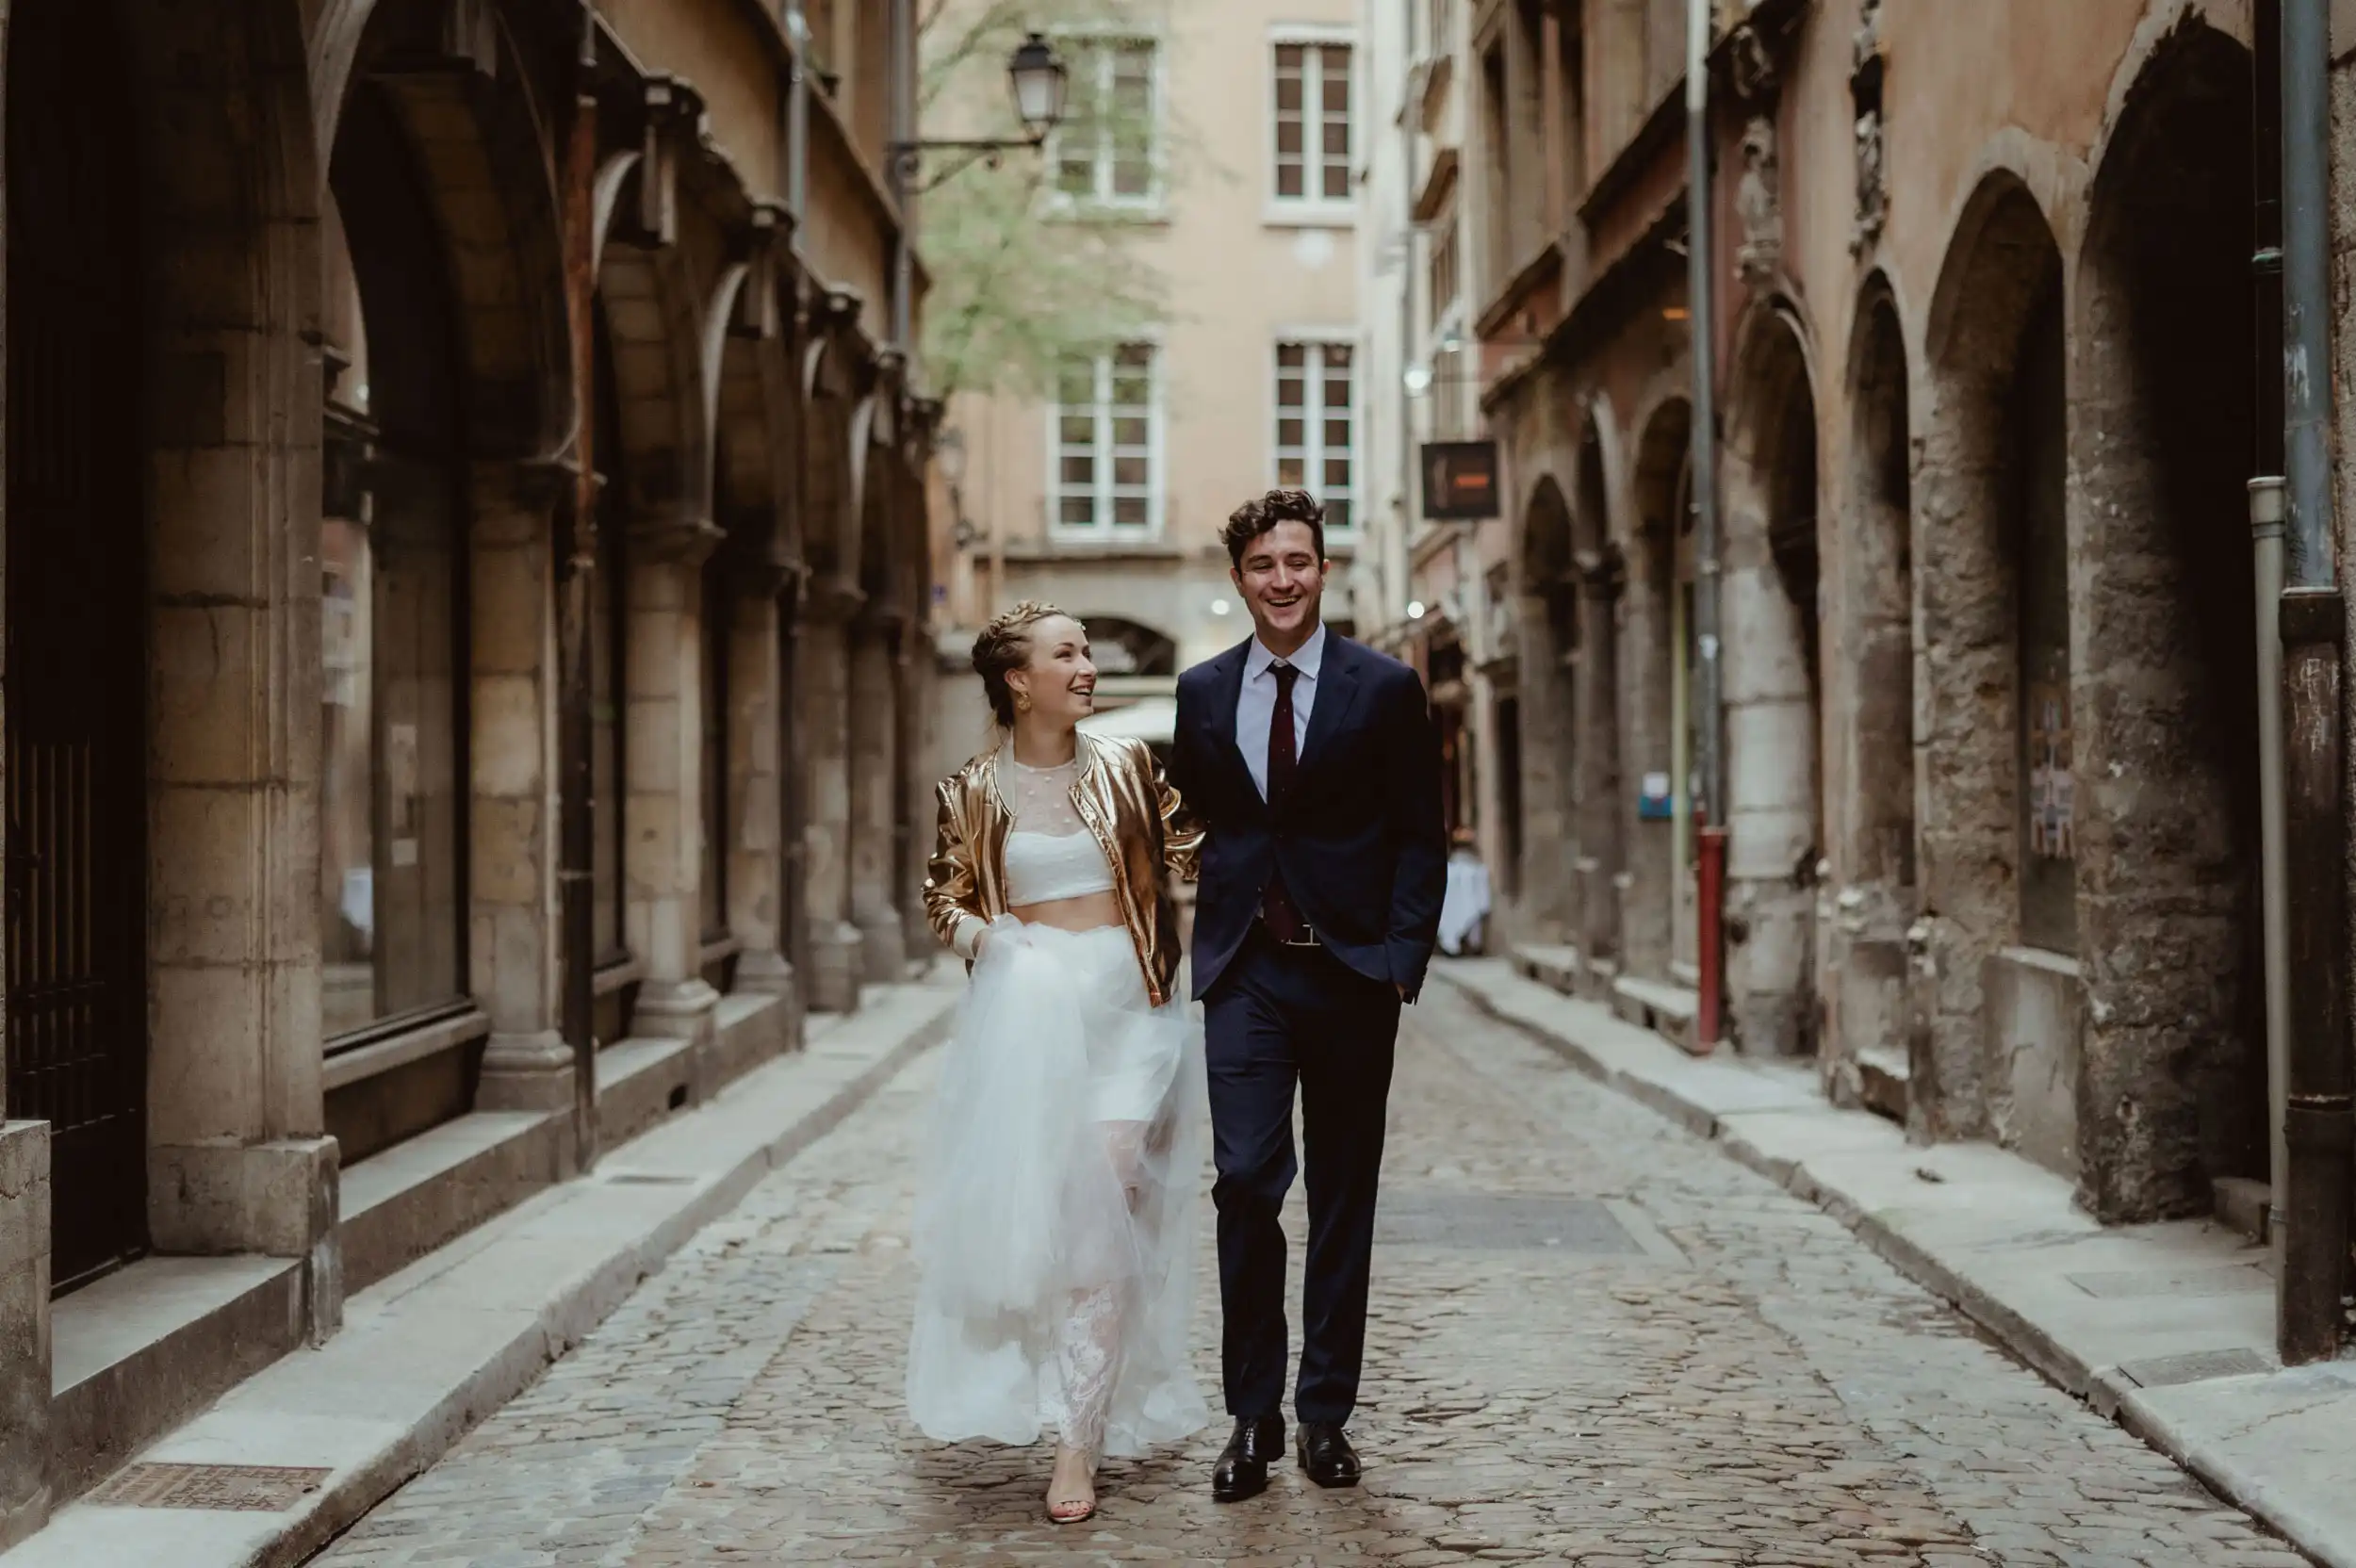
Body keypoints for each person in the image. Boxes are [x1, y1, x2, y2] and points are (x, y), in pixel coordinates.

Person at [1170, 489, 1446, 1502]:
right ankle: (1253, 1414)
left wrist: (1400, 955)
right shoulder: (1200, 692)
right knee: (1243, 1180)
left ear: (1323, 570)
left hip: (1348, 969)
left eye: (1297, 561)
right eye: (1261, 565)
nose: (1281, 579)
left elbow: (1422, 830)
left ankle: (1325, 1411)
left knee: (1341, 1193)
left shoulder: (1382, 688)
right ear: (1237, 579)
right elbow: (1201, 822)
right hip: (1245, 967)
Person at [908, 602, 1211, 1525]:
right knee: (1041, 1224)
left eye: (1085, 650)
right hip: (1030, 1024)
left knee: (1106, 1203)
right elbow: (941, 898)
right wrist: (990, 940)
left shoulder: (1130, 767)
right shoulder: (970, 791)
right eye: (1067, 652)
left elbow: (1197, 856)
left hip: (1132, 1016)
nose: (1087, 664)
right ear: (1017, 679)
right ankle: (1043, 1388)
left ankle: (1077, 1441)